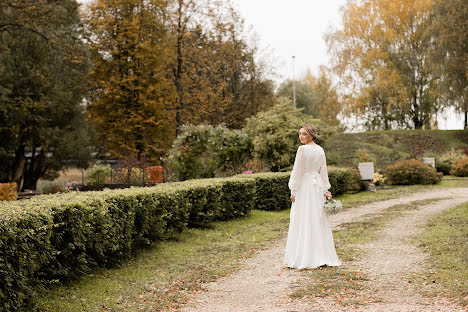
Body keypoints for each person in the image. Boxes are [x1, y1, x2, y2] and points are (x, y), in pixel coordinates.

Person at [284, 123, 341, 269]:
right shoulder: (320, 150)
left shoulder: (302, 150)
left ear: (311, 135)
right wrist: (325, 188)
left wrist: (293, 189)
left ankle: (307, 256)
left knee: (304, 218)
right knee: (316, 218)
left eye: (304, 134)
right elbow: (323, 172)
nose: (301, 136)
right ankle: (320, 255)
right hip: (316, 187)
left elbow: (297, 171)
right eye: (300, 133)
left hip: (305, 187)